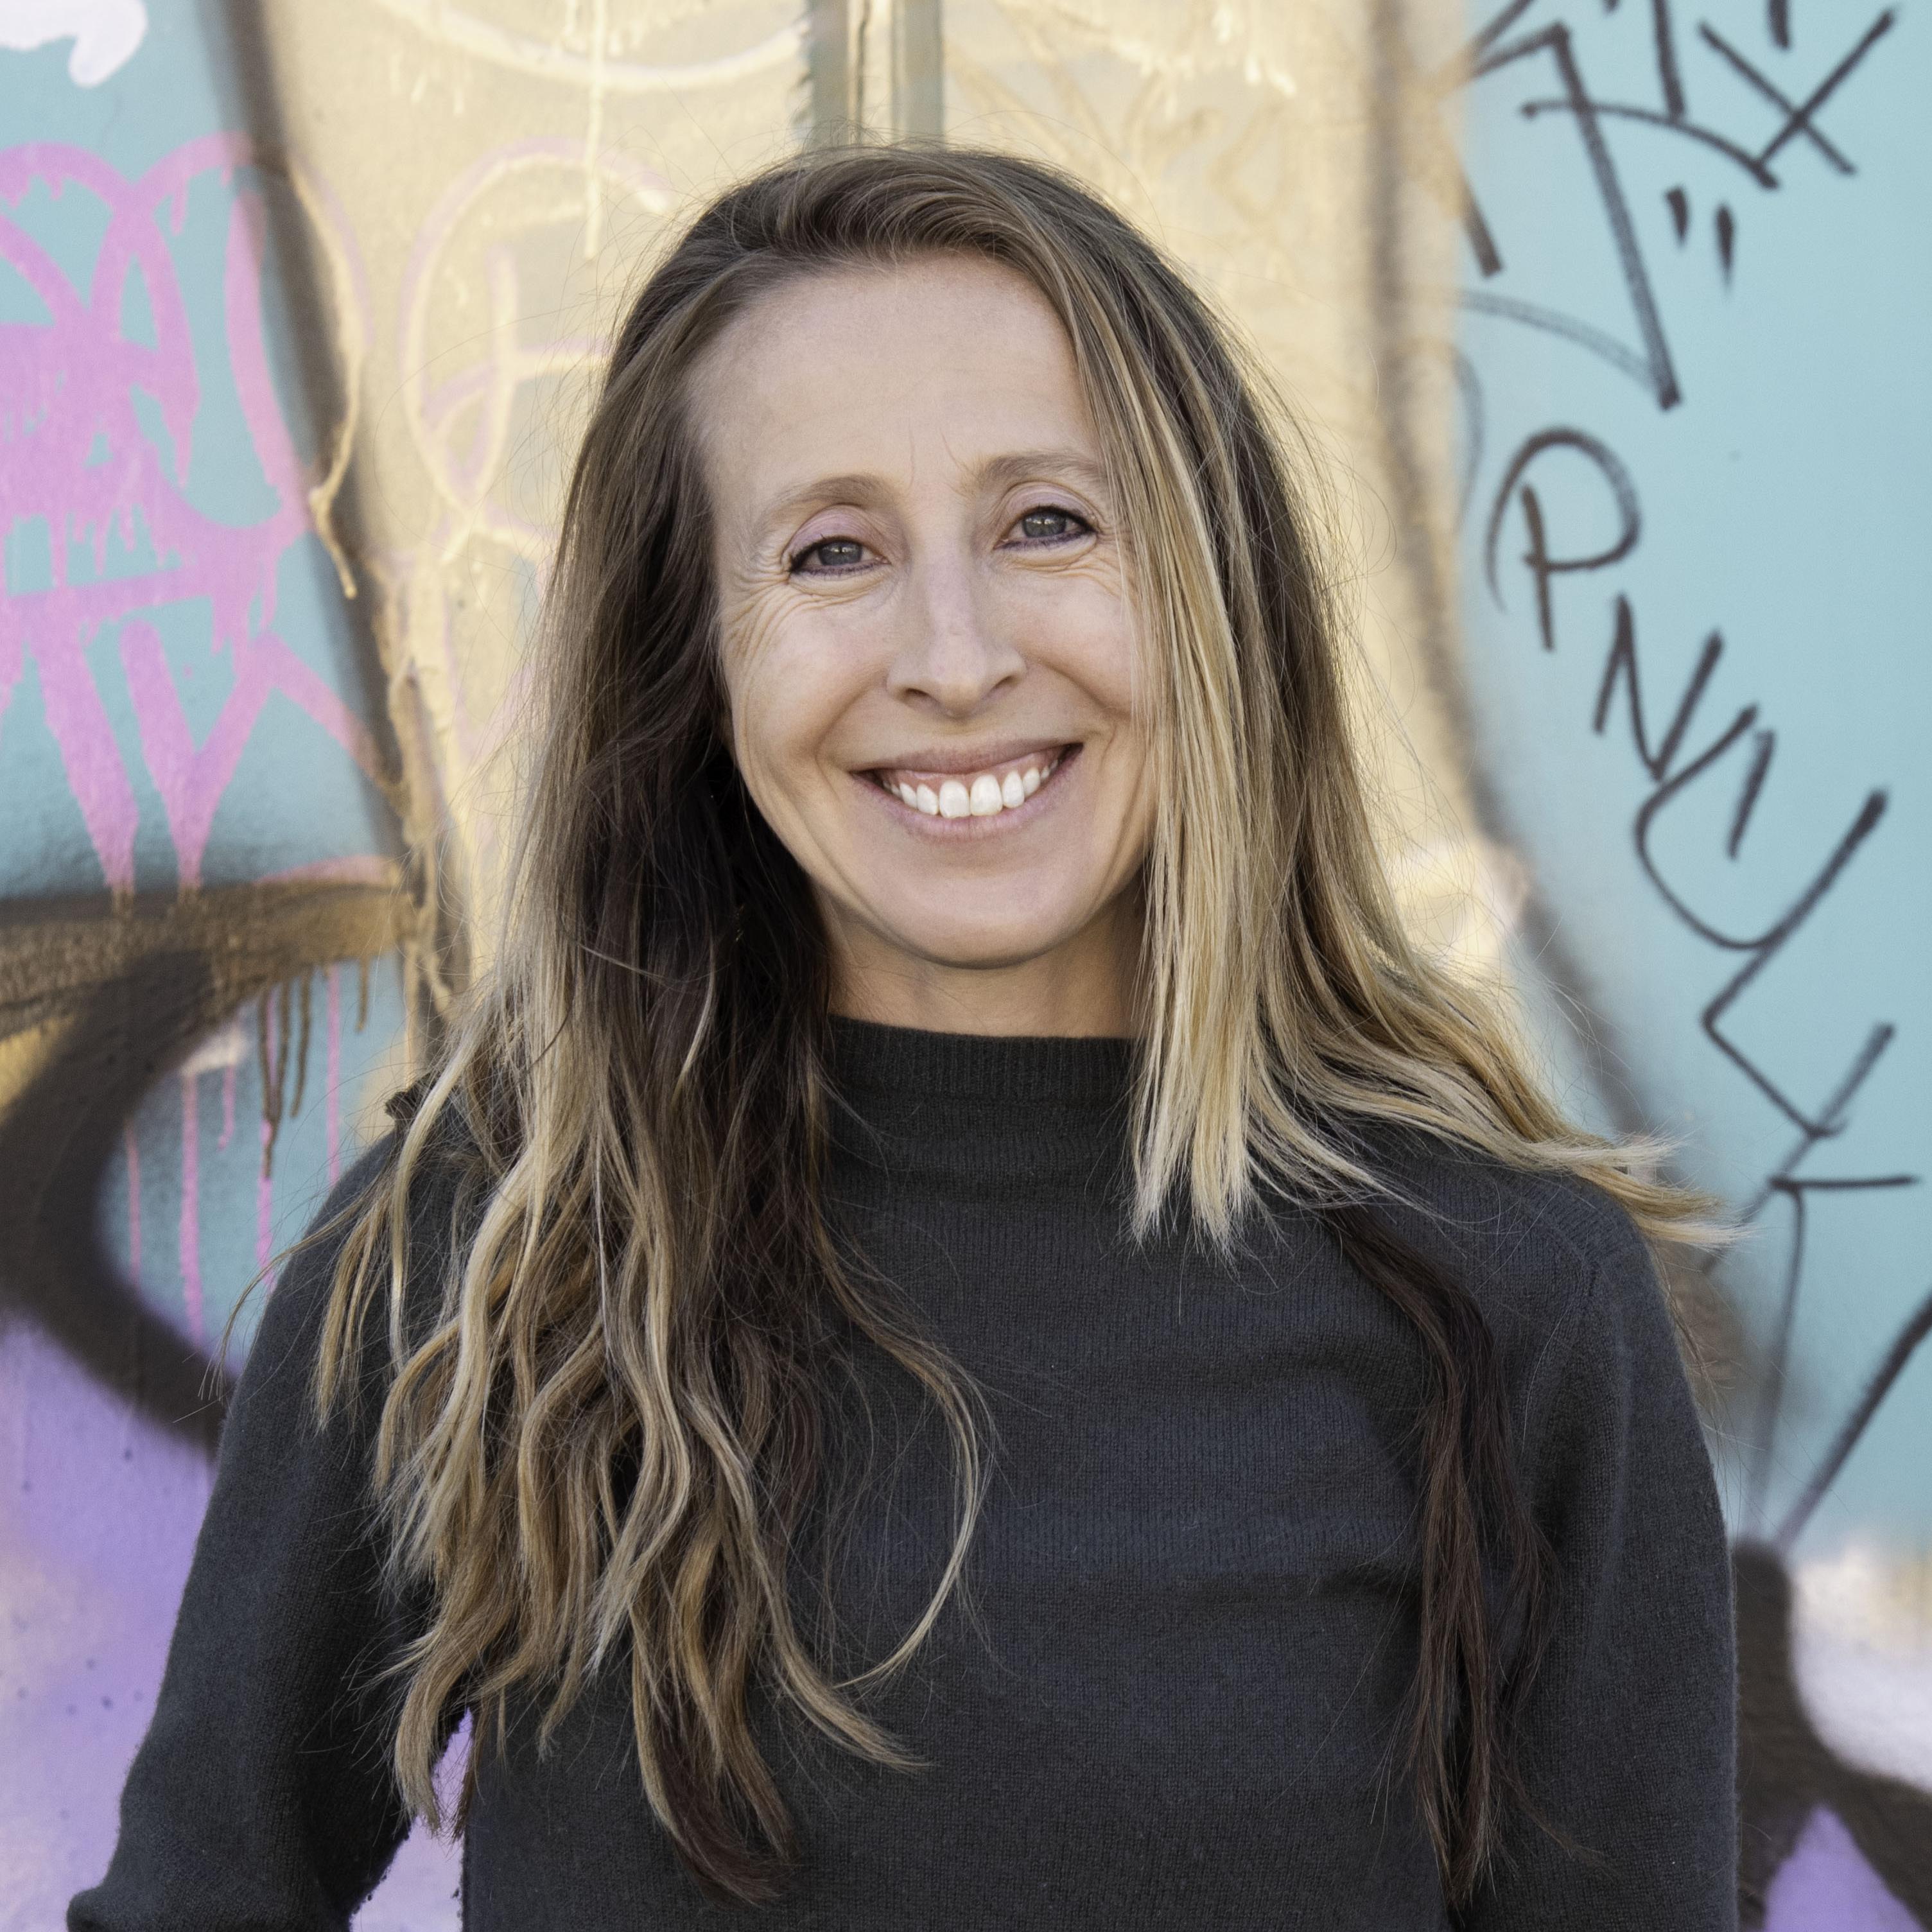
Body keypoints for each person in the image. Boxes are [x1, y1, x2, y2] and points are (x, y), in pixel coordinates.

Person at [71, 144, 1738, 1931]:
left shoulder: (1506, 1295)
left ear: (1213, 594)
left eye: (1048, 523)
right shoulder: (491, 1256)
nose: (954, 656)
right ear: (694, 664)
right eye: (833, 551)